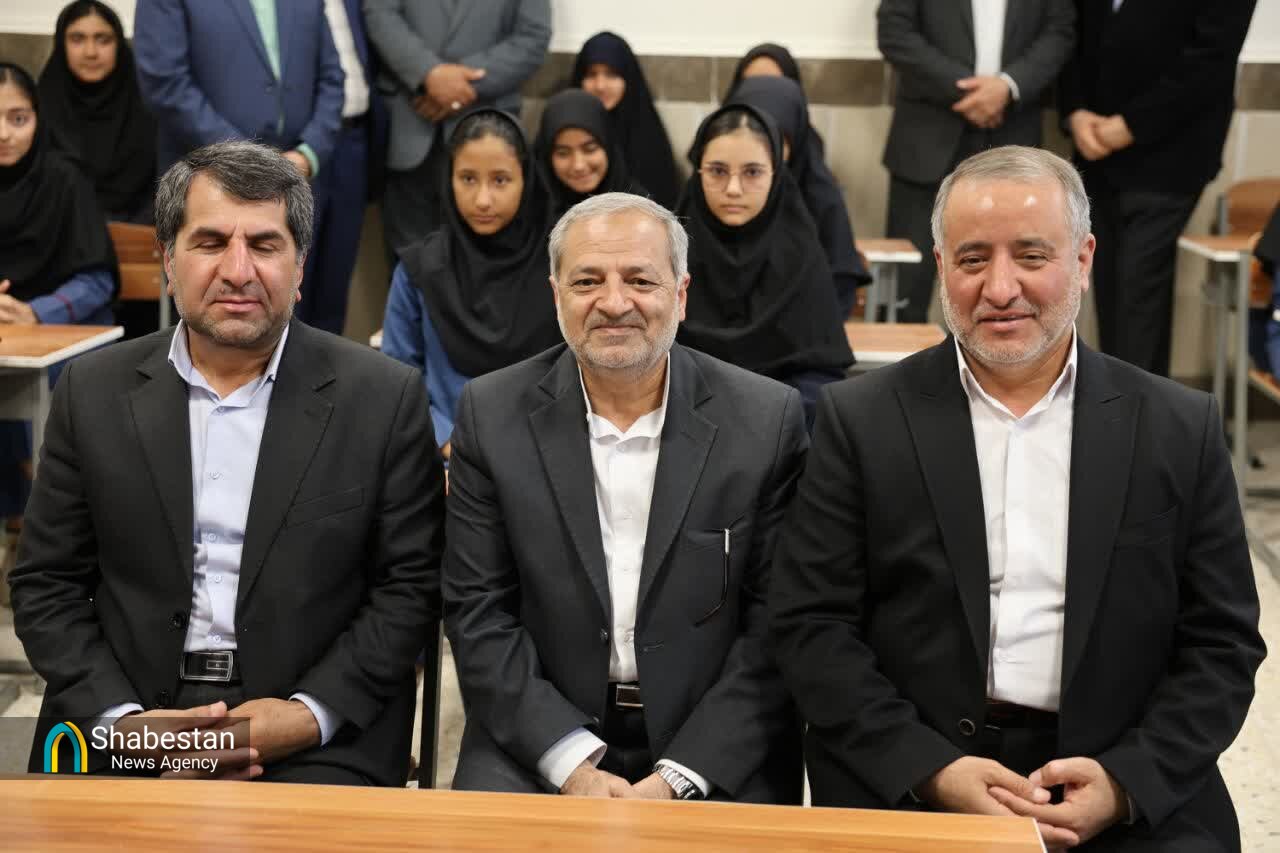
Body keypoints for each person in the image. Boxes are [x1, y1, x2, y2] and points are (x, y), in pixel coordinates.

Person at [769, 146, 1265, 850]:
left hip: (1124, 768)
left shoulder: (1178, 427)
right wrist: (932, 770)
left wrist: (1126, 782)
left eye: (1032, 256)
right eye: (973, 259)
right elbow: (811, 626)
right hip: (916, 774)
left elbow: (1222, 642)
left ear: (1084, 260)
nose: (1000, 288)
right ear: (941, 267)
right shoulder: (862, 420)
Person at [9, 140, 446, 786]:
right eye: (210, 243)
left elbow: (410, 590)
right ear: (168, 261)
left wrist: (305, 715)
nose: (238, 271)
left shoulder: (382, 398)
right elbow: (46, 585)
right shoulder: (92, 391)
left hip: (310, 732)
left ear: (301, 267)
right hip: (122, 723)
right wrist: (125, 723)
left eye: (265, 245)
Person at [444, 192, 806, 804]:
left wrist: (676, 779)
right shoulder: (491, 413)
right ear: (556, 295)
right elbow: (477, 613)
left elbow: (779, 626)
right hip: (537, 732)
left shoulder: (765, 420)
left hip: (713, 738)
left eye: (640, 280)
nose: (614, 303)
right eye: (587, 281)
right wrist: (572, 766)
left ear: (681, 294)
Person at [1060, 0, 1257, 377]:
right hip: (1096, 151)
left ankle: (1137, 407)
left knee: (1137, 295)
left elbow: (1211, 59)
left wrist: (1132, 125)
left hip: (1172, 157)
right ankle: (1128, 401)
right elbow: (1074, 33)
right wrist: (1075, 112)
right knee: (1110, 292)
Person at [877, 0, 1075, 322]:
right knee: (906, 285)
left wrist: (1007, 87)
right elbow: (894, 31)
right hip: (926, 138)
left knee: (1007, 282)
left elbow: (1060, 32)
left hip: (1012, 132)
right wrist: (970, 91)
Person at [382, 109, 561, 459]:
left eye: (500, 180)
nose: (482, 200)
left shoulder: (560, 268)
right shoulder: (420, 269)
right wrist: (448, 442)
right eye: (467, 179)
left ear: (526, 179)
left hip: (545, 451)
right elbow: (396, 380)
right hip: (447, 456)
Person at [677, 104, 852, 430]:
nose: (733, 188)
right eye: (717, 171)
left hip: (779, 426)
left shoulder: (801, 254)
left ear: (776, 174)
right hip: (683, 419)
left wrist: (771, 420)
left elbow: (821, 373)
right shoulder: (671, 251)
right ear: (698, 171)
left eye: (752, 172)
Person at [0, 62, 117, 531]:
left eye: (18, 118)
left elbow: (98, 280)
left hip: (71, 330)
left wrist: (34, 311)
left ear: (38, 118)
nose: (4, 134)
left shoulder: (65, 178)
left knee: (36, 383)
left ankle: (39, 516)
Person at [365, 0, 551, 258]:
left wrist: (454, 86)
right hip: (409, 126)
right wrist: (428, 74)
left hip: (489, 131)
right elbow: (380, 13)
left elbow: (533, 37)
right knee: (408, 261)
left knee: (486, 259)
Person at [727, 76, 870, 317]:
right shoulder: (719, 196)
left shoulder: (821, 198)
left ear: (796, 138)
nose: (766, 150)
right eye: (755, 135)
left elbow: (840, 285)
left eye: (777, 138)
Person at [37, 1, 156, 224]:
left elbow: (164, 189)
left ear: (118, 44)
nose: (90, 52)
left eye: (103, 40)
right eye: (77, 39)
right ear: (61, 44)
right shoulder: (38, 110)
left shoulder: (149, 107)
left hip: (139, 234)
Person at [571, 32, 680, 210]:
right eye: (591, 74)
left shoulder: (649, 138)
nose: (600, 86)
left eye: (611, 74)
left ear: (628, 78)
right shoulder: (565, 128)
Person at [534, 88, 640, 216]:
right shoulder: (531, 214)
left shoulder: (640, 212)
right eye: (563, 153)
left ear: (608, 147)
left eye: (590, 149)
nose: (578, 165)